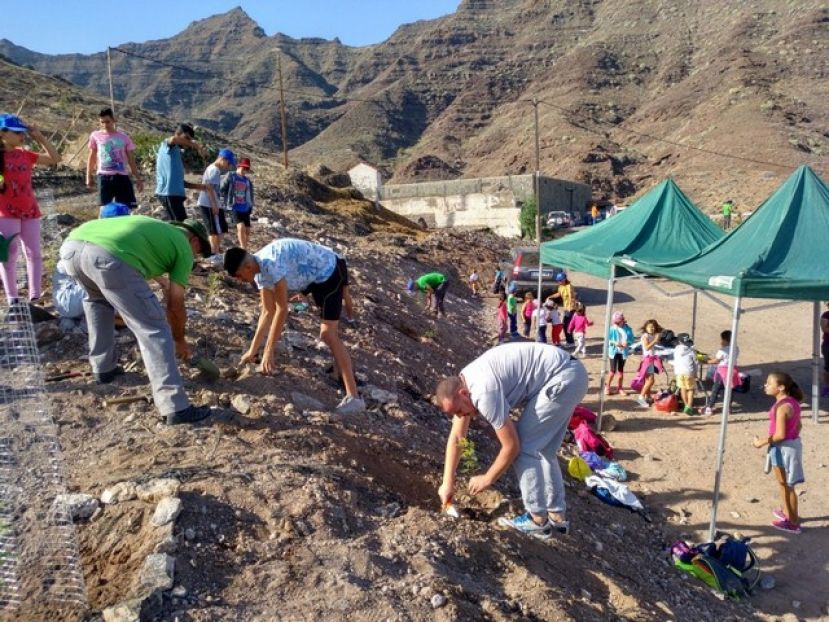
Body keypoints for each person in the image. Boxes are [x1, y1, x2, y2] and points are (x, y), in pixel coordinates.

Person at [59, 215, 214, 424]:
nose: (195, 257)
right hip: (108, 258)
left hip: (72, 249)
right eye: (199, 253)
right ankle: (175, 406)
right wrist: (179, 339)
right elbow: (175, 306)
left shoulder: (157, 230)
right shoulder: (184, 248)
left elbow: (139, 265)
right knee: (154, 328)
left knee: (98, 303)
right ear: (194, 241)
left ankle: (103, 368)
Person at [436, 342, 589, 539]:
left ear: (463, 394)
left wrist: (488, 478)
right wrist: (447, 481)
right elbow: (457, 436)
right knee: (545, 451)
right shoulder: (465, 382)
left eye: (458, 411)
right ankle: (557, 519)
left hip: (562, 378)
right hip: (571, 375)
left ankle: (537, 521)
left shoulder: (483, 392)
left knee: (525, 448)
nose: (461, 416)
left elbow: (512, 446)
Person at [223, 240, 364, 415]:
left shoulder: (270, 263)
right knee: (327, 334)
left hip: (329, 272)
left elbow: (282, 310)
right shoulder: (259, 271)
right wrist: (252, 352)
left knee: (328, 334)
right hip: (315, 278)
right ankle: (340, 372)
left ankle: (354, 397)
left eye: (238, 275)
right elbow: (267, 312)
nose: (240, 280)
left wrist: (268, 351)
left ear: (247, 267)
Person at [0, 114, 60, 304]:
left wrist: (40, 138)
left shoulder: (26, 155)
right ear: (3, 133)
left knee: (33, 252)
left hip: (30, 211)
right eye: (17, 133)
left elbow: (55, 158)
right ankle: (12, 297)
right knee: (9, 254)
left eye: (23, 133)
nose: (22, 136)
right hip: (5, 213)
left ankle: (35, 294)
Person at [753, 371, 804, 534]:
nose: (765, 386)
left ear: (780, 387)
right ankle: (788, 513)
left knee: (786, 486)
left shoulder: (781, 407)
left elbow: (780, 434)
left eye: (769, 383)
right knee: (786, 484)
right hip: (792, 446)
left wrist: (760, 442)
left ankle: (793, 522)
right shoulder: (793, 402)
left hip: (782, 448)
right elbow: (798, 426)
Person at [86, 108, 143, 214]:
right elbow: (91, 157)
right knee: (103, 209)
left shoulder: (124, 138)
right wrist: (88, 177)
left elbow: (131, 160)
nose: (105, 125)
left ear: (114, 120)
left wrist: (138, 179)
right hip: (104, 177)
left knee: (125, 209)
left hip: (121, 177)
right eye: (102, 122)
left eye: (107, 121)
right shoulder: (95, 136)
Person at [155, 123, 209, 222]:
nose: (187, 141)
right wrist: (195, 145)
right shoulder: (168, 146)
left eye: (190, 139)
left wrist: (201, 187)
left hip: (174, 195)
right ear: (177, 134)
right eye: (186, 138)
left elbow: (180, 182)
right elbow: (173, 139)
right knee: (181, 226)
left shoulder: (176, 153)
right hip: (169, 194)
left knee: (179, 224)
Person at [197, 148, 236, 258]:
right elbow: (209, 187)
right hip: (208, 203)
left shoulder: (214, 169)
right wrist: (214, 205)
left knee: (222, 228)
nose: (228, 167)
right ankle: (213, 254)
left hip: (213, 203)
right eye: (228, 163)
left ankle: (215, 251)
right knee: (213, 231)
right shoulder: (214, 170)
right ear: (223, 159)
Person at [701, 330, 741, 415]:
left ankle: (709, 407)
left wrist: (706, 361)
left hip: (722, 371)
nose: (721, 342)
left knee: (716, 389)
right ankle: (728, 408)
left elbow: (716, 360)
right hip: (733, 370)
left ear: (725, 340)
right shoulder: (736, 348)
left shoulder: (722, 350)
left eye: (722, 340)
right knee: (729, 390)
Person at [220, 157, 255, 250]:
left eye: (246, 169)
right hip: (234, 206)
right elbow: (222, 188)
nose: (244, 170)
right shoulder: (231, 176)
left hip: (245, 207)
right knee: (241, 227)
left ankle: (245, 247)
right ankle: (242, 248)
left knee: (247, 230)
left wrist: (250, 206)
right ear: (238, 166)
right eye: (243, 168)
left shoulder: (247, 181)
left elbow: (250, 195)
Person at [635, 319, 664, 407]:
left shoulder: (652, 335)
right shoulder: (645, 336)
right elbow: (647, 347)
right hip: (648, 361)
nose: (652, 329)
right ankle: (641, 397)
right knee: (651, 380)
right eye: (649, 327)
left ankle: (648, 396)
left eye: (653, 327)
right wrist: (655, 340)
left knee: (648, 380)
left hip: (650, 359)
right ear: (646, 328)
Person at [606, 311, 635, 396]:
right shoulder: (612, 329)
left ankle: (620, 388)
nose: (617, 324)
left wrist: (627, 343)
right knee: (612, 371)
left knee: (620, 371)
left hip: (623, 352)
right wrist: (615, 343)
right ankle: (607, 386)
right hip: (613, 352)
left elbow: (631, 339)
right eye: (615, 322)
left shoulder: (628, 329)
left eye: (618, 322)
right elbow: (608, 339)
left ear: (623, 320)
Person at [672, 333, 697, 416]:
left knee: (682, 388)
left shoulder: (676, 349)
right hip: (689, 372)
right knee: (690, 389)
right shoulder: (691, 350)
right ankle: (689, 406)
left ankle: (686, 404)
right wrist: (695, 373)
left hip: (679, 371)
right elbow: (695, 362)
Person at [550, 273, 577, 346]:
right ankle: (569, 341)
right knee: (565, 325)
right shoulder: (560, 286)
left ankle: (570, 342)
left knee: (567, 325)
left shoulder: (569, 287)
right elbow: (559, 294)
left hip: (571, 308)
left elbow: (572, 297)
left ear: (564, 280)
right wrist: (550, 297)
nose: (558, 282)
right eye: (558, 281)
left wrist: (572, 306)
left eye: (560, 280)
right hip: (566, 308)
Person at [821, 301, 829, 397]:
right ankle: (828, 387)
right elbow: (824, 328)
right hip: (828, 345)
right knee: (828, 368)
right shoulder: (826, 315)